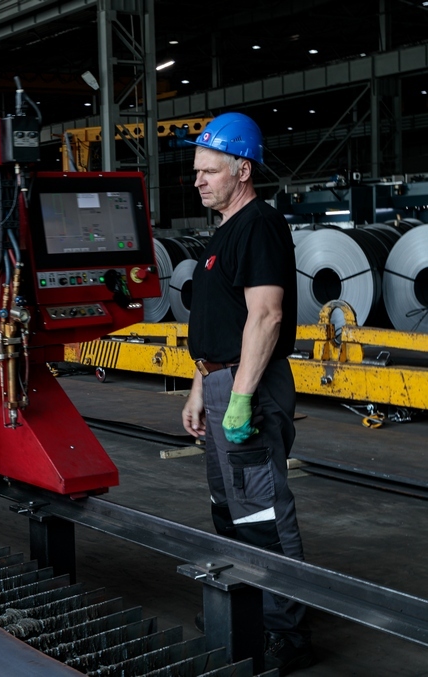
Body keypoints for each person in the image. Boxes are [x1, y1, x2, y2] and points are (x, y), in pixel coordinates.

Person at [181, 112, 314, 675]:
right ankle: (248, 605)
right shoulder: (223, 233)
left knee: (260, 510)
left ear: (242, 169)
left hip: (248, 386)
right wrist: (198, 388)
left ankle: (287, 631)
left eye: (209, 171)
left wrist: (237, 397)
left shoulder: (259, 224)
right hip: (219, 379)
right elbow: (223, 320)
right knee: (228, 507)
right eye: (195, 172)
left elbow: (265, 316)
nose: (198, 181)